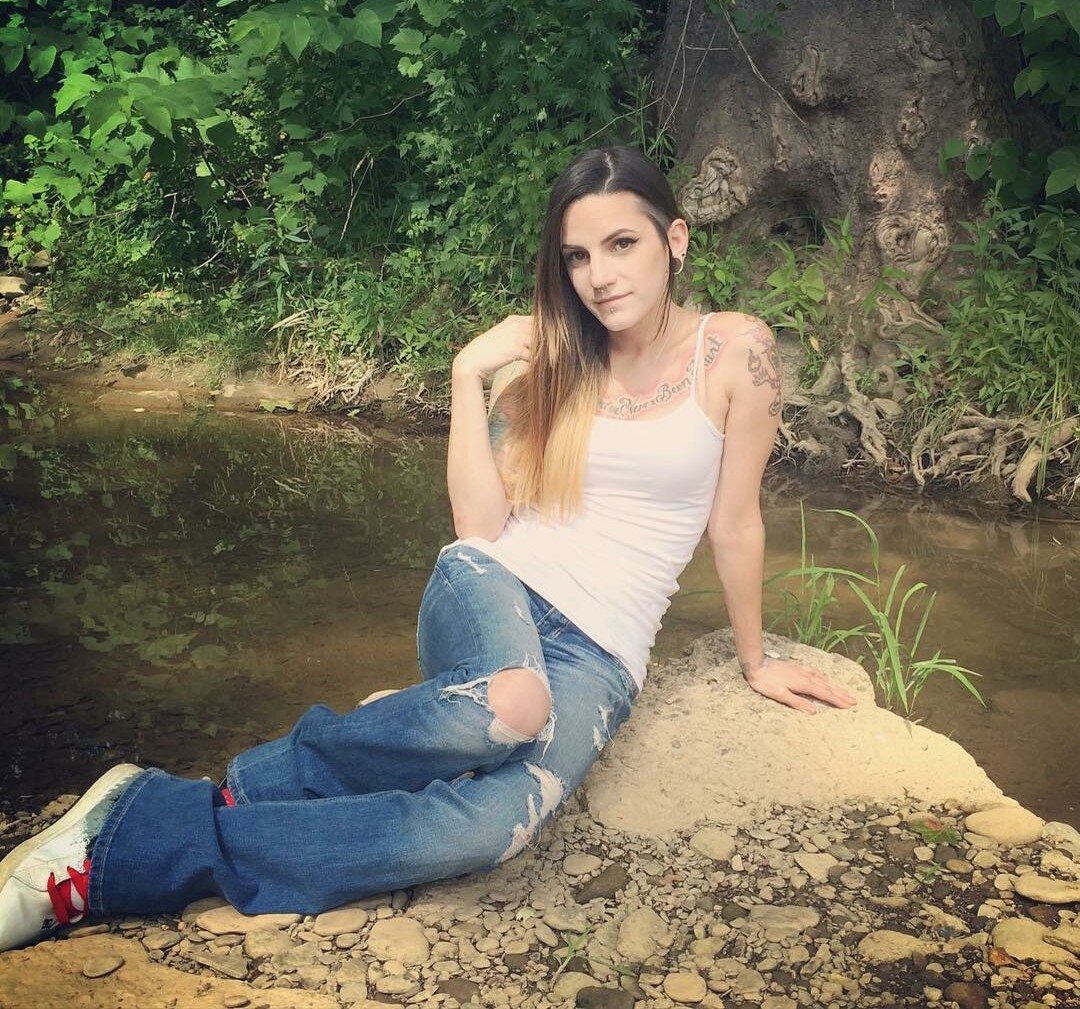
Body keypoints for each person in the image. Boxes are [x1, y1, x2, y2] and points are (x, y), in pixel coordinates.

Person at [0, 146, 855, 952]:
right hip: (494, 586)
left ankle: (143, 826)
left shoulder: (736, 351)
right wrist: (465, 376)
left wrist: (754, 660)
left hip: (603, 653)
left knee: (489, 830)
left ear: (675, 240)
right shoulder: (552, 362)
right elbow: (478, 529)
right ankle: (188, 824)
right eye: (577, 256)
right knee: (514, 703)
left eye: (621, 244)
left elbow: (735, 520)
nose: (599, 275)